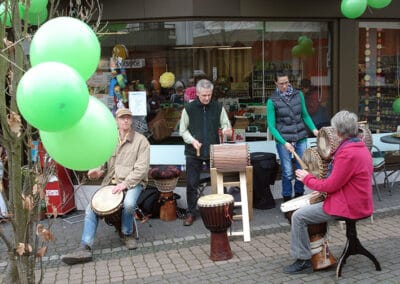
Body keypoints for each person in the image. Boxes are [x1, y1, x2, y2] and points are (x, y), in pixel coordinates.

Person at [283, 110, 373, 274]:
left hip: (349, 206)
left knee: (298, 216)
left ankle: (303, 260)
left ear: (339, 132)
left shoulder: (347, 153)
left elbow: (331, 185)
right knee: (309, 206)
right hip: (359, 202)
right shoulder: (360, 147)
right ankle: (320, 253)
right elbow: (343, 182)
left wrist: (307, 179)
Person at [61, 108, 150, 265]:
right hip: (110, 184)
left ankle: (127, 234)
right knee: (90, 209)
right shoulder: (109, 139)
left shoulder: (141, 141)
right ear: (116, 121)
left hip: (132, 183)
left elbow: (141, 169)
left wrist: (125, 184)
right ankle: (85, 246)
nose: (126, 120)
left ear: (132, 120)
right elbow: (102, 163)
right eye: (122, 118)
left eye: (128, 118)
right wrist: (97, 170)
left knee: (129, 204)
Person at [179, 79, 231, 226]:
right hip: (192, 151)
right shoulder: (188, 108)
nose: (207, 98)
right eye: (204, 95)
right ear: (197, 93)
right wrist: (192, 140)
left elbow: (226, 125)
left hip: (213, 149)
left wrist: (227, 130)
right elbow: (183, 130)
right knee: (191, 183)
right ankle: (191, 212)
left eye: (209, 95)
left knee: (219, 180)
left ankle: (223, 209)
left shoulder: (218, 107)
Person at [267, 70, 318, 202]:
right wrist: (284, 143)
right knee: (288, 172)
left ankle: (299, 196)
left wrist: (314, 130)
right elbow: (272, 127)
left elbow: (305, 115)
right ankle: (287, 198)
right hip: (283, 140)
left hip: (300, 137)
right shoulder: (272, 101)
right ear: (275, 83)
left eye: (287, 82)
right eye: (281, 84)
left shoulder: (298, 94)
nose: (284, 86)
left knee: (301, 169)